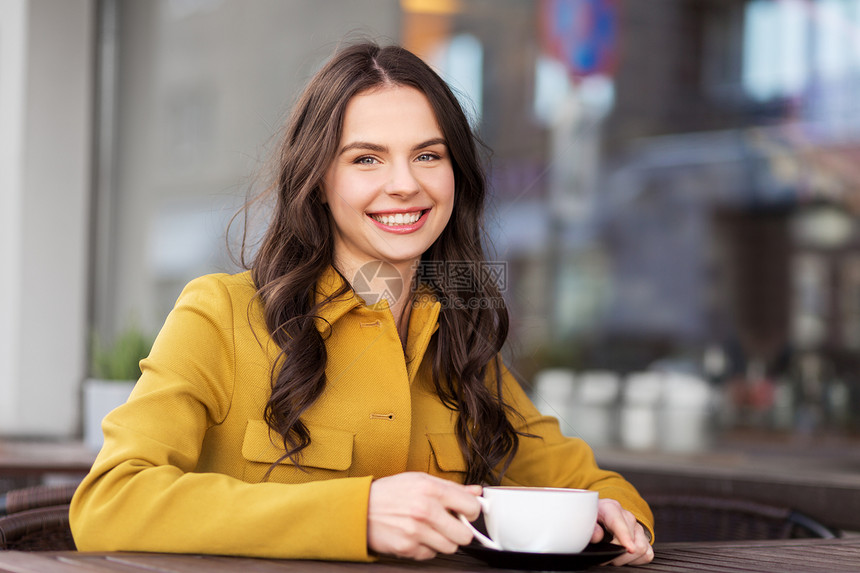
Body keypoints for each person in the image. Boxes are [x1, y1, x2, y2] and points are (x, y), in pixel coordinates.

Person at [70, 41, 654, 566]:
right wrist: (357, 514)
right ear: (319, 180)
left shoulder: (461, 335)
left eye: (429, 155)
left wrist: (610, 517)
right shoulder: (220, 314)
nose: (405, 184)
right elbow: (110, 502)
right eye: (366, 158)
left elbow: (590, 484)